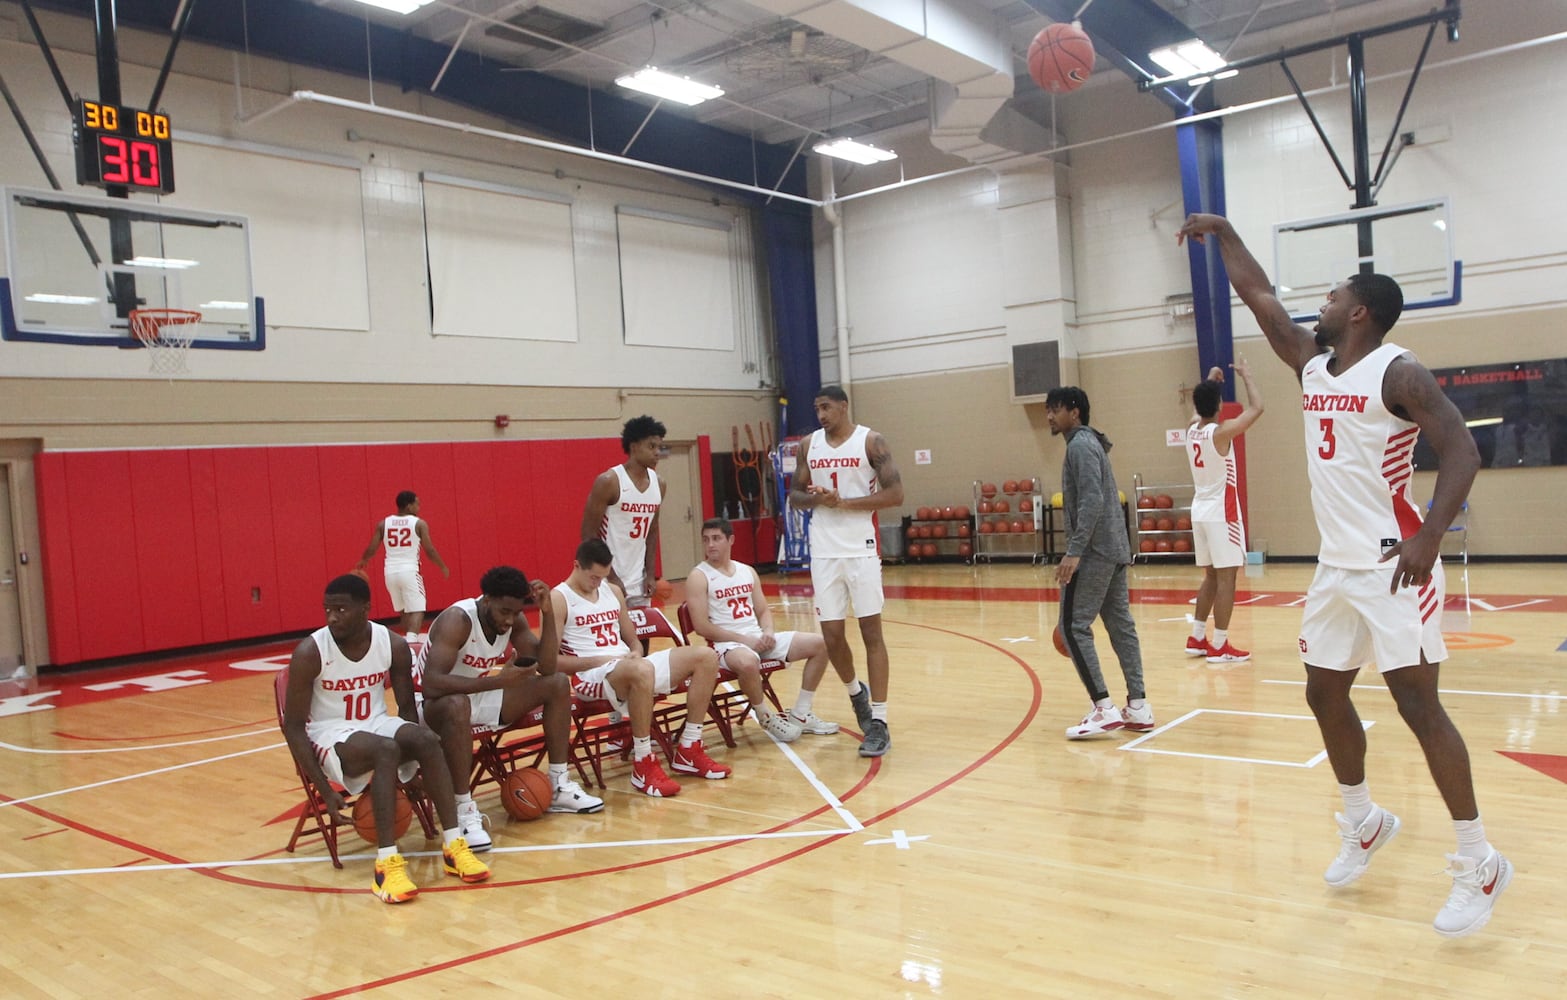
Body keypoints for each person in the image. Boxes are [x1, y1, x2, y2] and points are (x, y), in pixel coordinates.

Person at [1177, 212, 1511, 938]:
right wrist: (1224, 232)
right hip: (1335, 567)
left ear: (1358, 311)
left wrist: (1427, 534)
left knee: (1418, 708)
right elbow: (1259, 295)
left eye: (1329, 297)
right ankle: (1362, 820)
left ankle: (1477, 860)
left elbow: (1460, 450)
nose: (1317, 306)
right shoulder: (1311, 365)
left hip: (1394, 563)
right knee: (1322, 691)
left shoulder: (1398, 372)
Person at [280, 573, 489, 904]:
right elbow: (292, 726)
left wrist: (418, 763)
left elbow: (407, 706)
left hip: (374, 723)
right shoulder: (311, 651)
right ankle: (386, 865)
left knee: (426, 739)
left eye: (341, 610)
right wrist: (322, 787)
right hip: (329, 733)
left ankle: (454, 845)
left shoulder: (391, 644)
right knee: (386, 749)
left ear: (365, 608)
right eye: (327, 610)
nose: (332, 617)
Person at [417, 566, 605, 851]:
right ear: (487, 599)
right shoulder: (458, 620)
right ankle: (463, 810)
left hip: (476, 696)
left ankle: (558, 784)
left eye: (515, 612)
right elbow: (430, 685)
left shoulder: (512, 620)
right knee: (457, 705)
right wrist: (499, 682)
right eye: (504, 611)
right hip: (434, 707)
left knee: (555, 684)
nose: (509, 620)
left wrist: (547, 613)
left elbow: (549, 666)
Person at [552, 539, 728, 797]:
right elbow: (552, 662)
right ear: (576, 566)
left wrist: (635, 651)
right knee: (641, 671)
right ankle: (643, 763)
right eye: (593, 577)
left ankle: (689, 749)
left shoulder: (612, 590)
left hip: (627, 665)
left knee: (705, 657)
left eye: (603, 577)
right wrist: (601, 661)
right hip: (590, 676)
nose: (598, 583)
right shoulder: (558, 598)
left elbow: (632, 638)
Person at [788, 385, 904, 757]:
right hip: (823, 551)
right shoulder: (808, 445)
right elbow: (794, 496)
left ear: (843, 406)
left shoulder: (872, 441)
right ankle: (857, 694)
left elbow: (895, 494)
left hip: (861, 549)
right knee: (832, 636)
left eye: (826, 407)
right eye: (816, 408)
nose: (821, 414)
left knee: (871, 632)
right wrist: (817, 499)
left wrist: (847, 503)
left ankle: (880, 721)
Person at [1044, 386, 1154, 740]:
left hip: (1094, 552)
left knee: (1073, 627)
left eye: (1055, 409)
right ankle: (1138, 706)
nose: (1049, 415)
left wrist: (1074, 551)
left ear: (1074, 412)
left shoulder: (1079, 446)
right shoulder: (1090, 443)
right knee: (1121, 626)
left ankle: (1103, 708)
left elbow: (1092, 499)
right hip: (1114, 548)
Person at [685, 516, 839, 744]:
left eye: (716, 538)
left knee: (821, 643)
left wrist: (767, 631)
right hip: (727, 645)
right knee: (748, 662)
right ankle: (764, 714)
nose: (710, 545)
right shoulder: (698, 576)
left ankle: (801, 712)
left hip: (757, 639)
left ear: (731, 540)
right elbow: (701, 627)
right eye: (706, 539)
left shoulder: (747, 571)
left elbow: (763, 610)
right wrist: (744, 640)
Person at [1184, 360, 1265, 663]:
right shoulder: (1221, 433)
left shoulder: (1192, 429)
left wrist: (1209, 380)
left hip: (1200, 511)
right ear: (1218, 405)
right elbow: (1257, 408)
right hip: (1222, 512)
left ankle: (1197, 636)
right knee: (1228, 579)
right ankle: (1219, 644)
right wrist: (1247, 375)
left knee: (1211, 578)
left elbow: (1199, 406)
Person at [581, 416, 667, 609]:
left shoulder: (659, 484)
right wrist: (608, 575)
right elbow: (588, 536)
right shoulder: (609, 481)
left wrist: (651, 574)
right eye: (652, 446)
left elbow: (652, 531)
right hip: (607, 578)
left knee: (643, 636)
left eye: (659, 447)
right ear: (634, 447)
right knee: (614, 637)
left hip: (639, 580)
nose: (657, 453)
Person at [356, 490, 450, 639]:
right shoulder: (419, 523)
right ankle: (412, 644)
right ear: (408, 506)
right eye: (416, 504)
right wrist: (442, 566)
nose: (418, 508)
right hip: (409, 571)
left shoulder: (383, 523)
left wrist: (363, 560)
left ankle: (408, 640)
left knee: (403, 610)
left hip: (390, 573)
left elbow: (372, 548)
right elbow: (430, 550)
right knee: (418, 608)